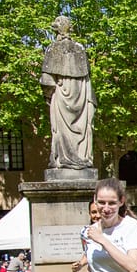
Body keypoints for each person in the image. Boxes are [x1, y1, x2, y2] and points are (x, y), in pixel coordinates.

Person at [40, 16, 96, 170]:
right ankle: (81, 157)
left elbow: (47, 81)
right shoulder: (80, 50)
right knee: (82, 129)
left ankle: (63, 159)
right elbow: (88, 80)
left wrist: (48, 95)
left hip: (60, 96)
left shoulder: (53, 49)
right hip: (82, 97)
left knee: (61, 130)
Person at [71, 200, 102, 272]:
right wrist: (80, 264)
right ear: (89, 214)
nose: (97, 215)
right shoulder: (84, 232)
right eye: (94, 212)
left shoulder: (113, 230)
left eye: (100, 211)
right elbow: (87, 252)